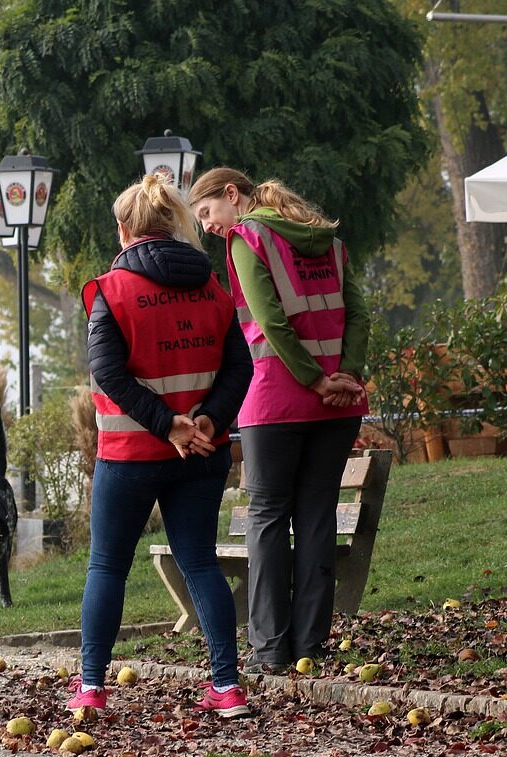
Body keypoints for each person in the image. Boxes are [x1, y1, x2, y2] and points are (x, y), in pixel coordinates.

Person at [69, 176, 253, 717]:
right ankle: (226, 687)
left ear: (125, 229)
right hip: (202, 451)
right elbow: (239, 366)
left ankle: (92, 689)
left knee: (107, 566)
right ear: (173, 222)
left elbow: (107, 372)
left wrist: (164, 424)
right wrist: (205, 422)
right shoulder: (212, 285)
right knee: (200, 562)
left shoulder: (111, 289)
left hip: (130, 455)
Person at [188, 168, 369, 674]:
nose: (207, 227)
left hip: (274, 401)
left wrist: (313, 380)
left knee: (267, 516)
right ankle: (310, 646)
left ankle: (269, 649)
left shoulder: (247, 238)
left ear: (232, 196)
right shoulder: (329, 241)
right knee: (317, 514)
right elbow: (359, 313)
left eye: (206, 213)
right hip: (339, 403)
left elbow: (269, 321)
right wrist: (344, 374)